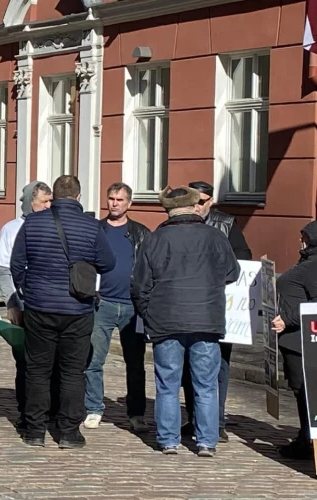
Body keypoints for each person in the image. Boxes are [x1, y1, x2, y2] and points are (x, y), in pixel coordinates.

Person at [131, 186, 239, 457]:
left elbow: (139, 285)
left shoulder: (155, 239)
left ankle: (168, 440)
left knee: (167, 384)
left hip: (166, 321)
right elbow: (232, 272)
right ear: (194, 206)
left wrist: (148, 314)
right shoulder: (215, 236)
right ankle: (206, 441)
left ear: (168, 210)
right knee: (206, 384)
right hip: (206, 320)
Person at [10, 175, 116, 448]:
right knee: (72, 371)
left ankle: (35, 430)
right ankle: (68, 432)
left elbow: (17, 263)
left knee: (37, 370)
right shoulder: (92, 226)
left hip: (40, 306)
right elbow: (107, 262)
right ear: (78, 197)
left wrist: (26, 290)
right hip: (78, 308)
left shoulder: (32, 223)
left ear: (53, 197)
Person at [181, 180, 254, 442]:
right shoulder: (179, 221)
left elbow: (243, 258)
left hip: (219, 307)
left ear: (210, 201)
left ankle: (217, 421)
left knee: (219, 366)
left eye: (201, 201)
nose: (196, 206)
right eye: (192, 201)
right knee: (188, 366)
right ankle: (194, 418)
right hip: (187, 307)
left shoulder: (226, 223)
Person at [83, 182, 152, 432]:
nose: (114, 203)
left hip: (132, 307)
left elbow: (150, 268)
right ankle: (93, 408)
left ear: (129, 203)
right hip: (102, 304)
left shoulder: (141, 233)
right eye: (111, 198)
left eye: (120, 199)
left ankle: (136, 414)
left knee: (135, 364)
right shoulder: (95, 230)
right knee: (93, 359)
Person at [0, 181, 52, 430]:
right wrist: (12, 303)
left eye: (51, 201)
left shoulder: (54, 225)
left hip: (50, 305)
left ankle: (51, 410)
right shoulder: (12, 229)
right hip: (24, 304)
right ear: (31, 202)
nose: (49, 206)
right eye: (44, 202)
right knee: (26, 361)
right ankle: (26, 410)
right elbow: (3, 270)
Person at [270, 221, 317, 460]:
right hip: (294, 340)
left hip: (304, 339)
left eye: (305, 237)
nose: (301, 241)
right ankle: (305, 437)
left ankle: (308, 441)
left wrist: (288, 319)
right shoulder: (307, 261)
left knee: (307, 392)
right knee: (300, 391)